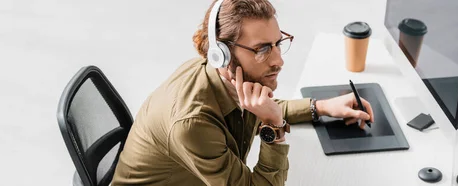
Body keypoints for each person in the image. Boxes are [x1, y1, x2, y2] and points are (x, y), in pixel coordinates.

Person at [111, 0, 374, 185]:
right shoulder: (193, 123)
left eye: (277, 44)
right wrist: (274, 126)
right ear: (221, 55)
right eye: (261, 49)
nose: (278, 60)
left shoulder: (223, 78)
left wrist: (322, 107)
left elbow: (258, 105)